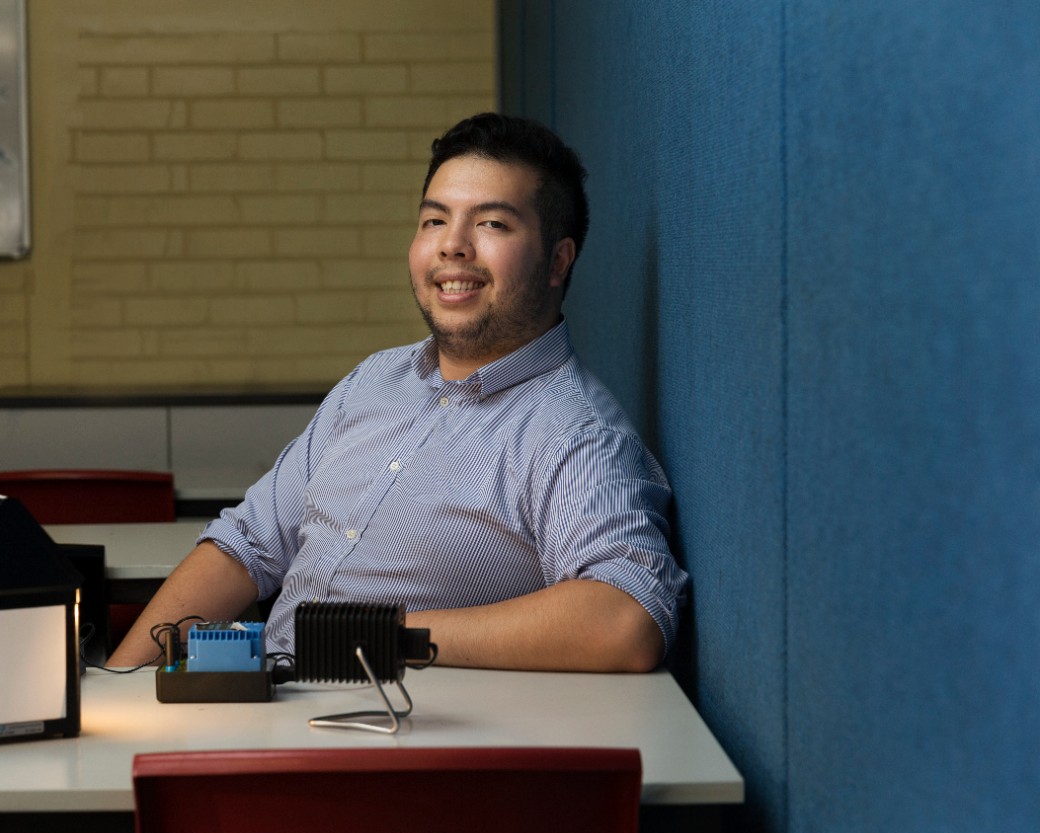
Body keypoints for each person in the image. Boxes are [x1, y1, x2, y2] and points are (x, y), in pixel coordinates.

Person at [108, 113, 687, 672]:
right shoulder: (373, 381)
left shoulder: (573, 431)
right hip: (268, 710)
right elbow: (245, 547)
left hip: (389, 736)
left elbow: (627, 616)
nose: (452, 246)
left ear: (558, 260)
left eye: (491, 224)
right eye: (435, 220)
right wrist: (120, 686)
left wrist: (386, 635)